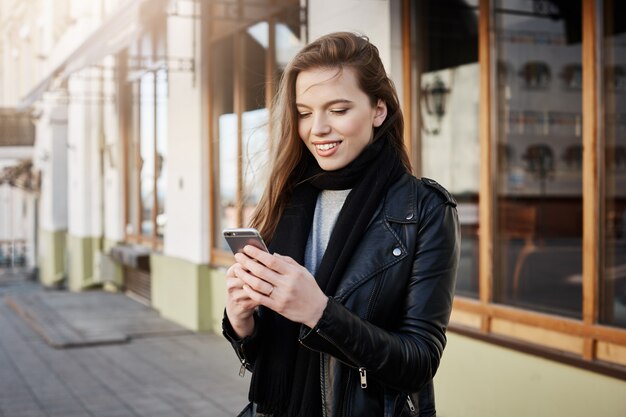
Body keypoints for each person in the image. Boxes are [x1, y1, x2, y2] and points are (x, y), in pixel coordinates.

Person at [223, 31, 460, 417]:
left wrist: (319, 312)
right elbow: (265, 358)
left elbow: (418, 362)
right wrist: (240, 322)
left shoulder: (425, 210)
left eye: (338, 109)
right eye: (304, 112)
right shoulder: (287, 198)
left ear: (378, 110)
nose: (317, 128)